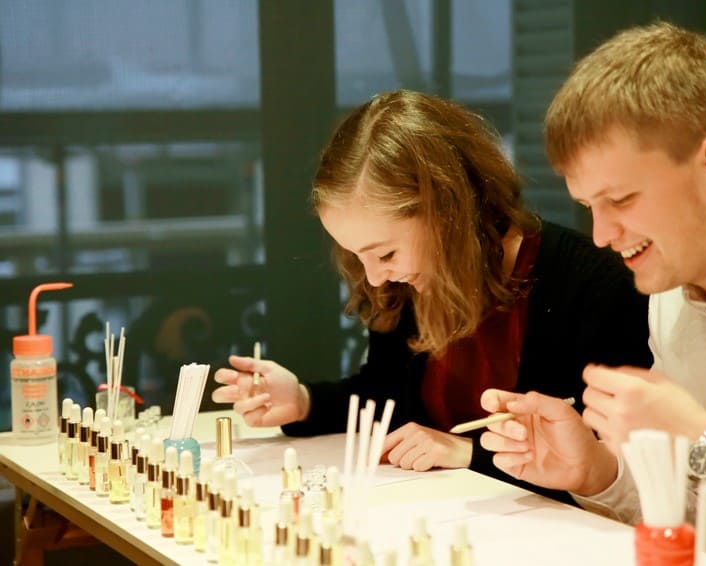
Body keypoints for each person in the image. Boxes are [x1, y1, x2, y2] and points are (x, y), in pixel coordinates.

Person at [478, 22, 706, 562]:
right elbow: (705, 520)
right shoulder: (671, 287)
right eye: (589, 208)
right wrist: (599, 472)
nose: (602, 237)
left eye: (622, 199)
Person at [211, 90, 652, 493]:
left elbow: (609, 468)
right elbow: (386, 397)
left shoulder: (593, 283)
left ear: (448, 212)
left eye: (384, 253)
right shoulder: (407, 283)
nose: (376, 277)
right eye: (358, 255)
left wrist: (467, 454)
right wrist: (303, 401)